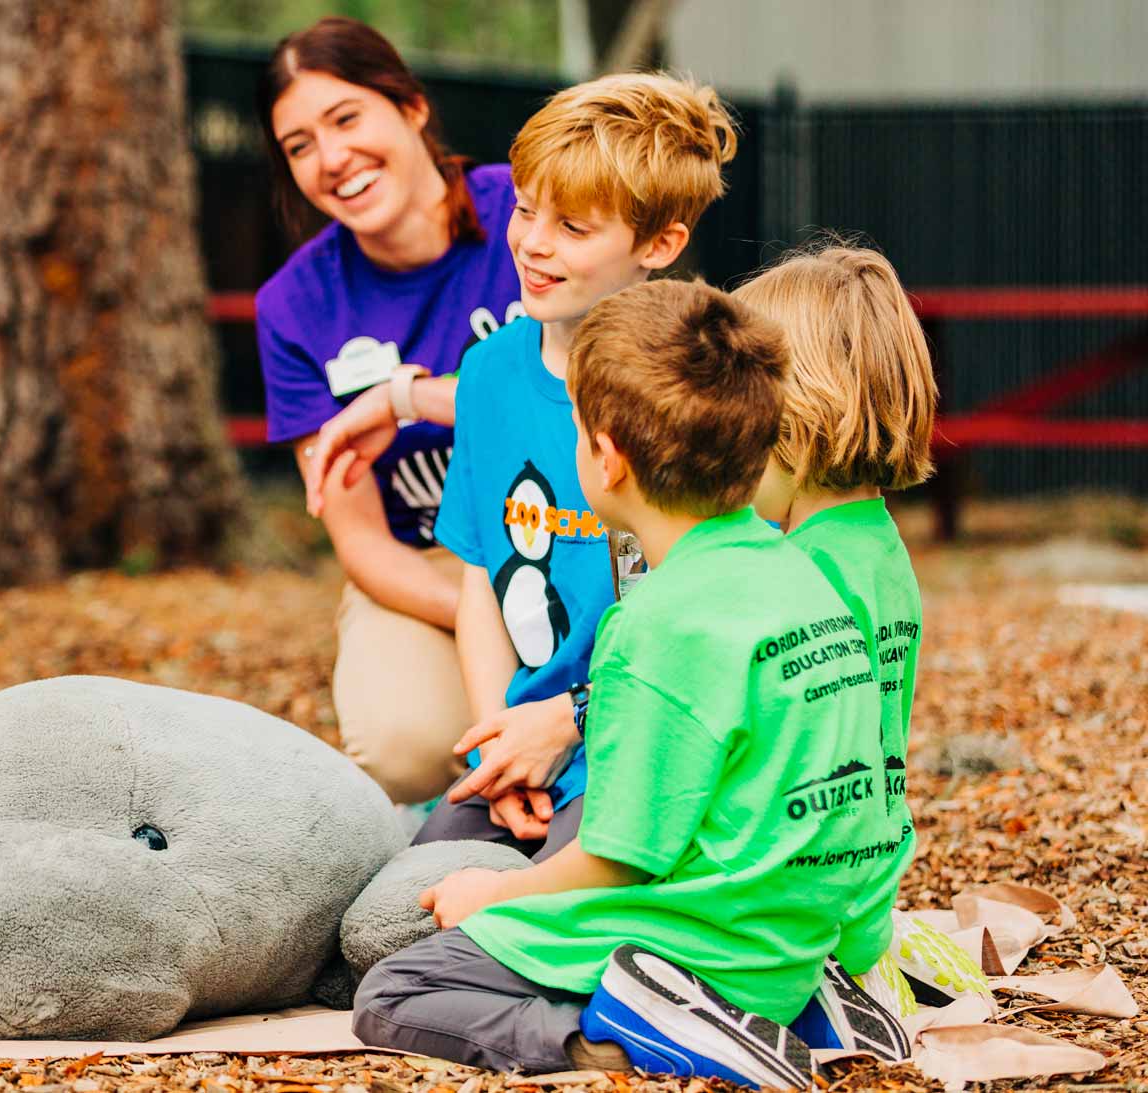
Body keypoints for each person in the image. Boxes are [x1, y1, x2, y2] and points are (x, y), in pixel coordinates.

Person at [354, 279, 899, 1088]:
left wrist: (494, 897)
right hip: (794, 933)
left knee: (395, 991)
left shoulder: (658, 623)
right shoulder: (806, 574)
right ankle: (797, 1004)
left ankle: (627, 1032)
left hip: (706, 941)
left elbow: (616, 859)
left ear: (606, 457)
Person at [314, 72, 738, 850]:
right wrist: (496, 744)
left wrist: (571, 722)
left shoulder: (690, 387)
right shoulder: (488, 374)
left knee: (519, 924)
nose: (534, 243)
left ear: (661, 244)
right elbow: (485, 580)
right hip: (529, 749)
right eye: (524, 208)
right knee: (402, 904)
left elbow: (708, 624)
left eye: (574, 228)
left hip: (646, 756)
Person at [256, 16, 523, 804]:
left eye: (346, 118)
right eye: (299, 145)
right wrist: (494, 609)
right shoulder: (295, 306)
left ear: (409, 105)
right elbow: (362, 540)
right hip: (429, 564)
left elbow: (616, 396)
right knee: (404, 746)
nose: (331, 158)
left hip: (587, 526)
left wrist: (409, 396)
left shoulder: (529, 213)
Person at [735, 242, 939, 1058]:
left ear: (793, 413)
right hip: (865, 893)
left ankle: (827, 995)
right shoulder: (876, 548)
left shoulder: (799, 575)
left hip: (800, 912)